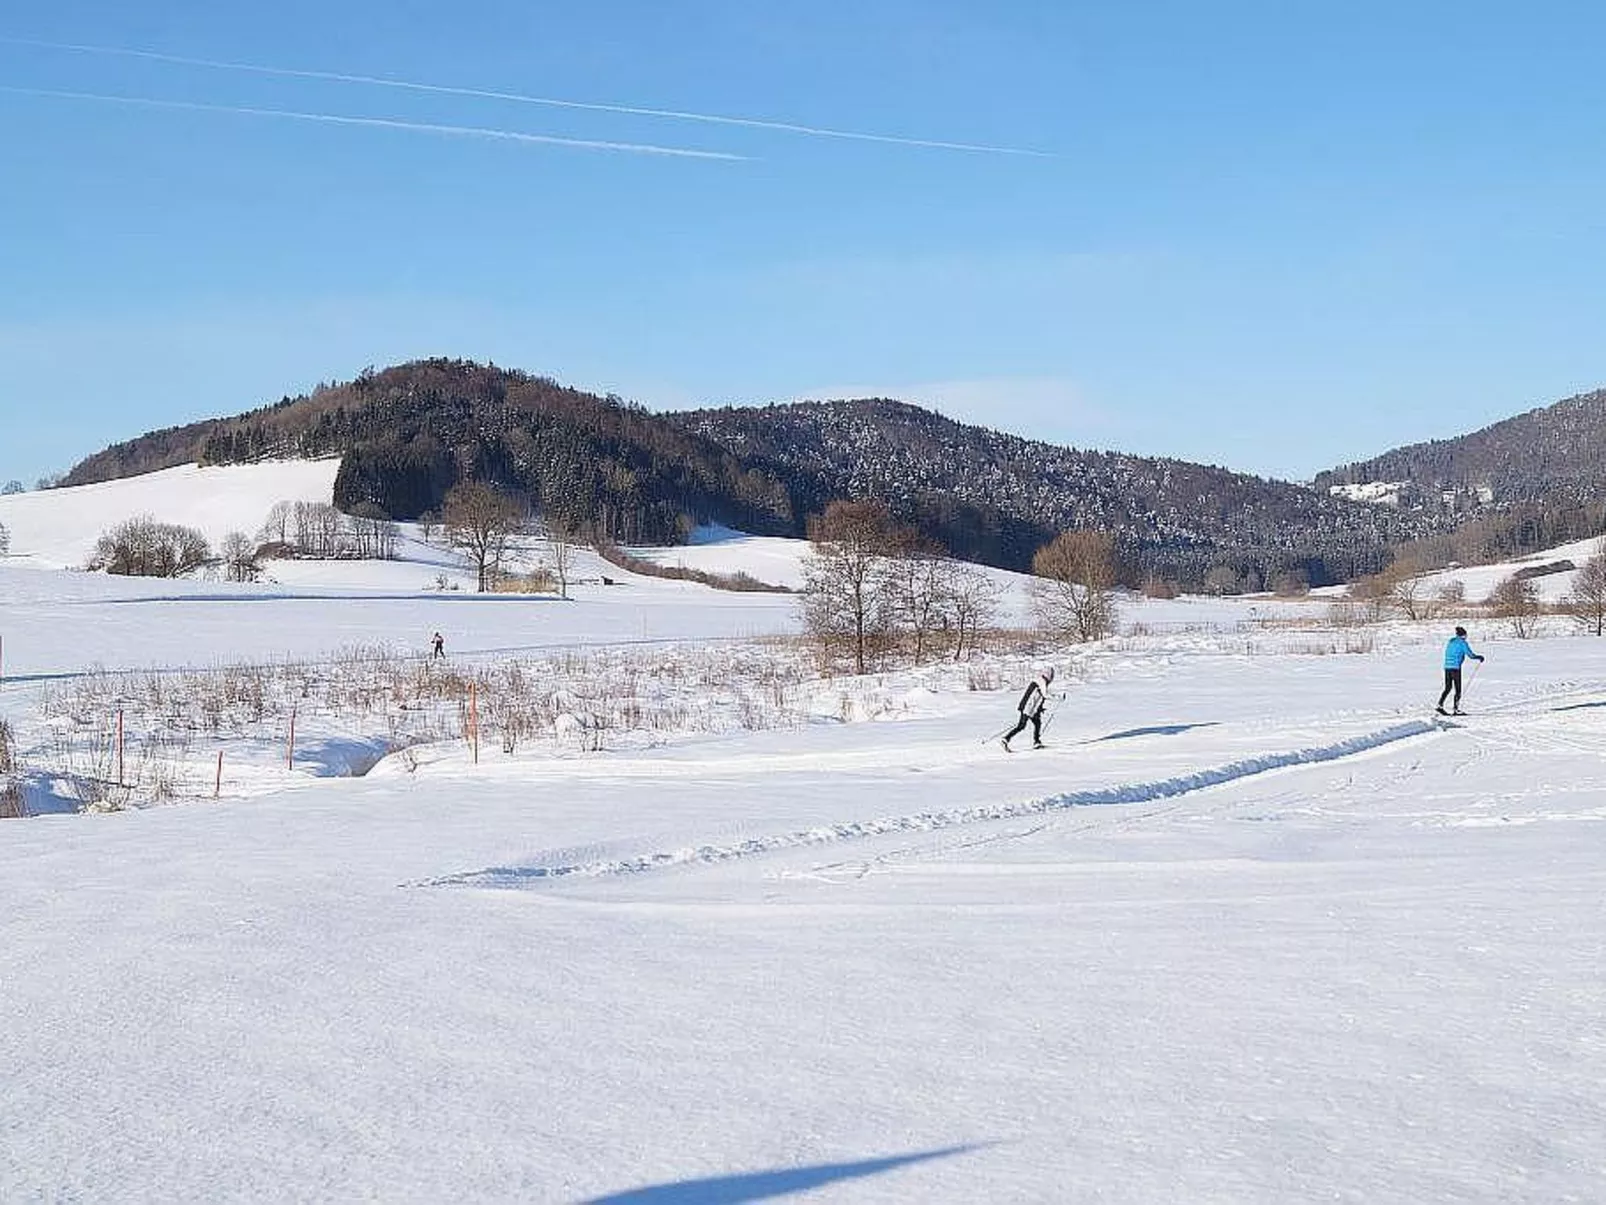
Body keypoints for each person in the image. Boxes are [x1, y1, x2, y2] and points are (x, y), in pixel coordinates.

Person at [1002, 666, 1056, 751]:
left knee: (1037, 723)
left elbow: (1038, 697)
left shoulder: (1041, 681)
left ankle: (1036, 742)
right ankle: (1006, 739)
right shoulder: (1041, 682)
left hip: (1031, 708)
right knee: (1021, 726)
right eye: (1052, 675)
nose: (1052, 678)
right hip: (1027, 708)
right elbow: (1045, 694)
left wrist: (1040, 708)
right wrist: (1057, 697)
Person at [1436, 625, 1484, 715]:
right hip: (1455, 668)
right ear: (1463, 635)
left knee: (1448, 687)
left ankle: (1440, 705)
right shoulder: (1462, 643)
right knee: (1458, 689)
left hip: (1447, 667)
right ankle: (1456, 709)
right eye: (1465, 635)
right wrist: (1479, 657)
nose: (1466, 637)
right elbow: (1470, 655)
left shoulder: (1451, 641)